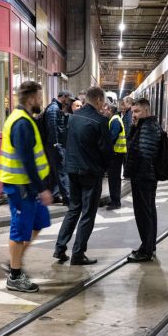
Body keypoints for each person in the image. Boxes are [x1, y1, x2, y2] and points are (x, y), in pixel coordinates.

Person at [0, 81, 53, 292]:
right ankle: (15, 276)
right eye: (39, 97)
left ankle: (14, 260)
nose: (41, 101)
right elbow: (26, 160)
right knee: (20, 230)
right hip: (21, 186)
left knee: (38, 223)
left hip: (28, 185)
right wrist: (42, 189)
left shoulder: (26, 119)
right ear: (31, 99)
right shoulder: (21, 123)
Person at [54, 86, 112, 265]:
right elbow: (106, 150)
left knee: (73, 209)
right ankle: (78, 253)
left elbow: (66, 141)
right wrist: (104, 169)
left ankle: (60, 248)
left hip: (72, 170)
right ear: (99, 100)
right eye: (103, 101)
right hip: (90, 172)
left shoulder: (73, 117)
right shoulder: (100, 121)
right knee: (88, 213)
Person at [124, 98, 161, 262]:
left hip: (143, 177)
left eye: (137, 111)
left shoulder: (148, 127)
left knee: (144, 214)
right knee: (148, 212)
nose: (134, 115)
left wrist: (137, 174)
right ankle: (149, 246)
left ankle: (146, 251)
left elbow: (144, 154)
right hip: (145, 176)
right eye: (133, 111)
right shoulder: (144, 126)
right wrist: (134, 127)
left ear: (146, 110)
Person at [43, 90, 72, 205]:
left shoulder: (56, 108)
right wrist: (56, 144)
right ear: (63, 97)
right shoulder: (53, 109)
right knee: (61, 170)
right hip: (54, 145)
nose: (69, 101)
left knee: (55, 171)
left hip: (54, 145)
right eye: (68, 99)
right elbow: (53, 128)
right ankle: (67, 197)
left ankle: (54, 195)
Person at [106, 102, 127, 210]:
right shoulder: (115, 119)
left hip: (116, 153)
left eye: (106, 109)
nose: (104, 111)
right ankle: (114, 199)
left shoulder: (115, 120)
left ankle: (115, 201)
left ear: (110, 110)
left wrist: (106, 147)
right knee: (113, 178)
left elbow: (113, 137)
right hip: (117, 153)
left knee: (114, 178)